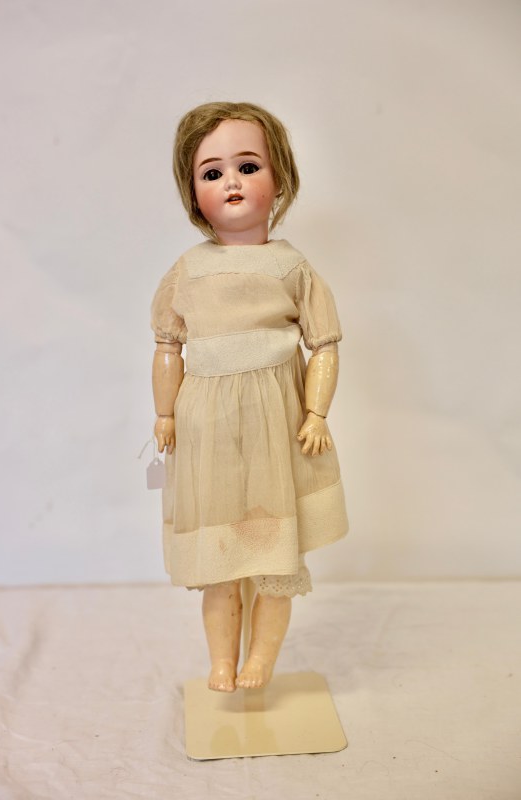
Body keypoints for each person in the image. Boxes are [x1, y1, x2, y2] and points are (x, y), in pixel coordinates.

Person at [151, 102, 348, 692]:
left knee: (274, 558)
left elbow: (324, 345)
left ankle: (259, 660)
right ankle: (221, 661)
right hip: (207, 429)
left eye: (248, 166)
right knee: (220, 562)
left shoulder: (291, 267)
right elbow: (167, 346)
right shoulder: (188, 271)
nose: (231, 182)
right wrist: (164, 412)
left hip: (275, 426)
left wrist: (316, 412)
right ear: (193, 192)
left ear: (279, 177)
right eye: (212, 173)